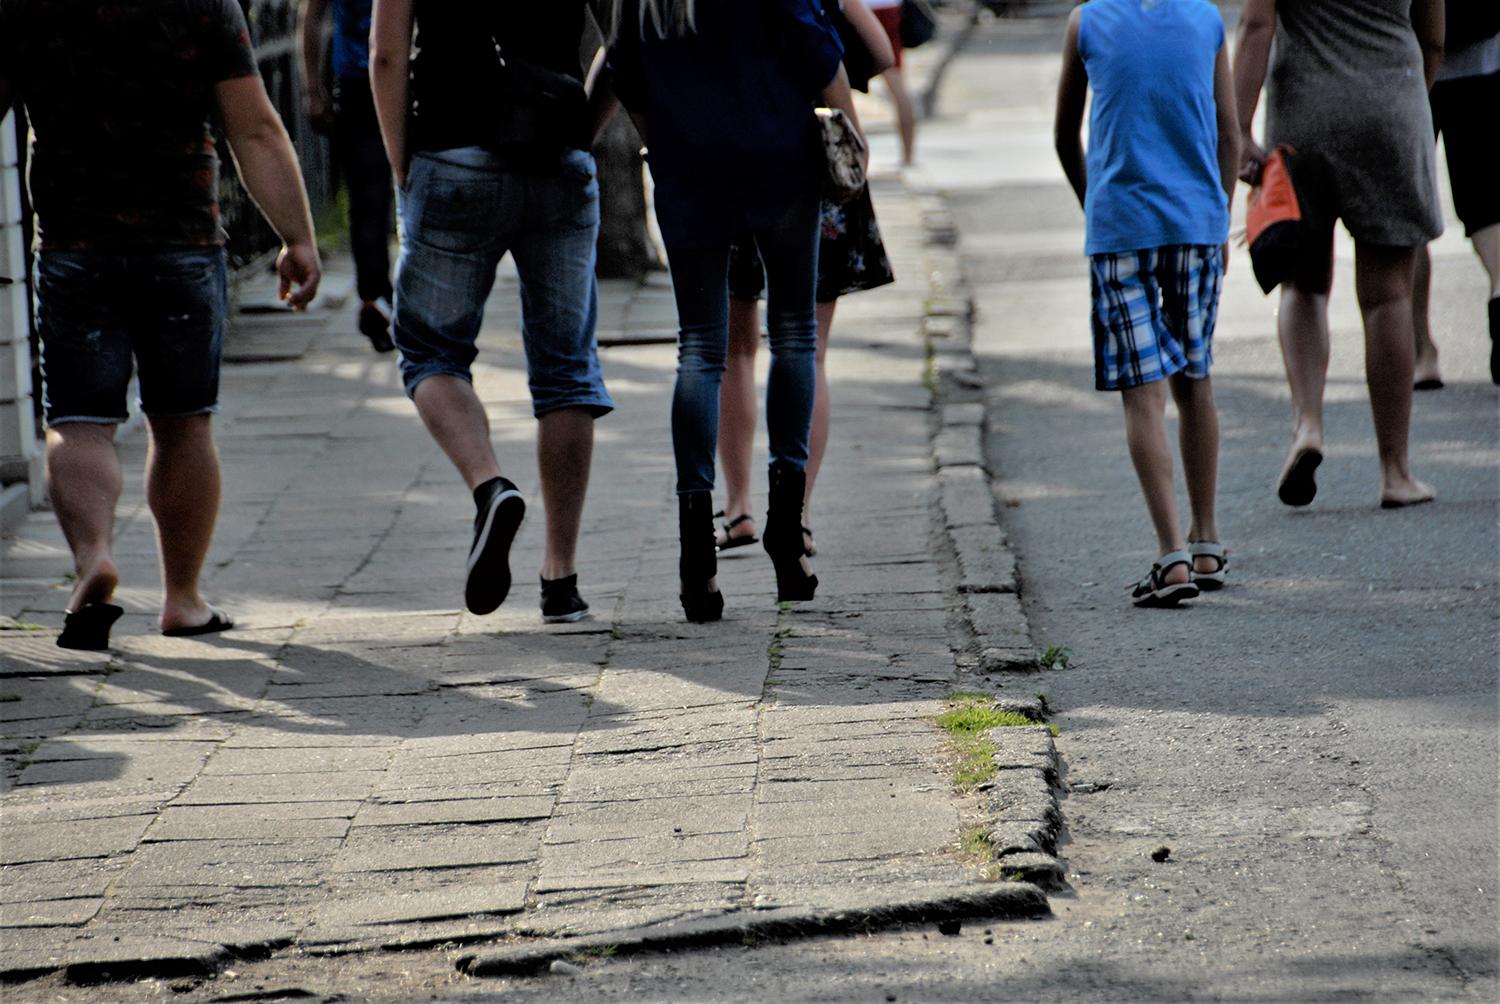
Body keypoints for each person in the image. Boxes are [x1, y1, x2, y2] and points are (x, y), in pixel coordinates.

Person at [0, 0, 322, 650]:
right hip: (183, 242)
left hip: (74, 245)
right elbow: (255, 129)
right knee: (182, 421)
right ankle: (183, 599)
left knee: (79, 422)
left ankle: (94, 555)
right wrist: (299, 239)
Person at [609, 0, 860, 622]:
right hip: (779, 155)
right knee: (796, 335)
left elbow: (623, 70)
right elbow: (819, 50)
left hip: (689, 167)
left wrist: (666, 140)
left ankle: (697, 549)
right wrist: (853, 138)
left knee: (699, 347)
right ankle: (784, 528)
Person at [369, 1, 618, 623]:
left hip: (451, 153)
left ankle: (491, 486)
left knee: (431, 351)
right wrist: (583, 130)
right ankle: (561, 579)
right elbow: (624, 43)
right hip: (557, 155)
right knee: (567, 369)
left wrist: (402, 160)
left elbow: (385, 55)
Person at [1054, 0, 1237, 607]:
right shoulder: (1206, 20)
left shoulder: (1087, 21)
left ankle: (1171, 557)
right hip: (1197, 227)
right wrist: (1220, 216)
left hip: (1119, 229)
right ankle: (1206, 538)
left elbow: (1064, 134)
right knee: (1196, 377)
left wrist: (1096, 206)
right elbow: (1229, 133)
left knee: (1143, 393)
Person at [1233, 0, 1443, 510]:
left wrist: (1238, 129)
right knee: (1387, 297)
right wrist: (1409, 95)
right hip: (1391, 99)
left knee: (1303, 285)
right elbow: (1434, 36)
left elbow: (1257, 24)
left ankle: (1307, 424)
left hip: (1304, 111)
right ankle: (1394, 472)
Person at [715, 0, 897, 557]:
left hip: (729, 165)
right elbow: (882, 53)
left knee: (733, 350)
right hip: (815, 171)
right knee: (808, 350)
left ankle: (740, 507)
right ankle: (798, 515)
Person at [1411, 2, 1500, 388]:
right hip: (1482, 59)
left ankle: (1422, 353)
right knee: (1488, 207)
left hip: (1406, 64)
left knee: (1408, 213)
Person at [300, 0, 396, 353]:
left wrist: (313, 88)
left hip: (361, 80)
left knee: (369, 198)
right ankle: (378, 298)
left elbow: (311, 17)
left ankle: (377, 295)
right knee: (378, 195)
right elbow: (312, 16)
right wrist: (312, 87)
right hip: (381, 78)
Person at [865, 0, 918, 166]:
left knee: (838, 87)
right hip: (889, 7)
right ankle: (908, 156)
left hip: (863, 8)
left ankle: (907, 156)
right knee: (898, 86)